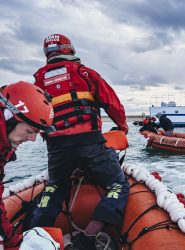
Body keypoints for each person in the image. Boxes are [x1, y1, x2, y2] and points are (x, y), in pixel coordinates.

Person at [30, 34, 130, 249]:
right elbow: (112, 103)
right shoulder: (85, 73)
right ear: (70, 49)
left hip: (56, 147)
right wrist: (122, 127)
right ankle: (90, 234)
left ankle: (33, 234)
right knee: (118, 185)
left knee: (55, 186)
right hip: (90, 144)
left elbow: (37, 115)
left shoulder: (39, 79)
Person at [0, 81, 53, 248]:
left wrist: (11, 240)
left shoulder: (4, 146)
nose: (32, 139)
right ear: (9, 118)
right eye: (30, 131)